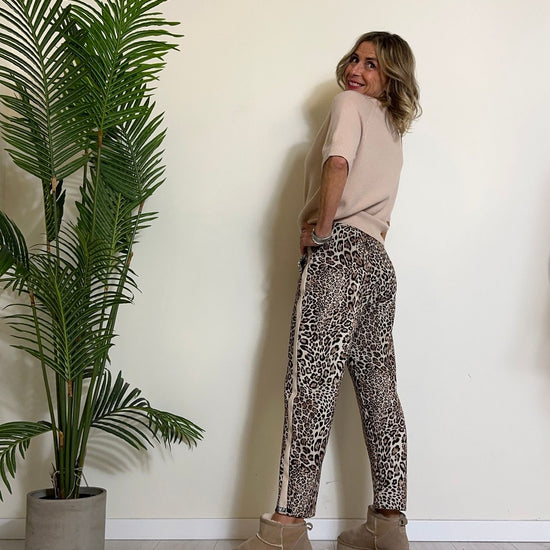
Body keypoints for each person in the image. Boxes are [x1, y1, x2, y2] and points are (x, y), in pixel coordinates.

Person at [238, 31, 421, 550]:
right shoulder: (392, 128)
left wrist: (320, 232)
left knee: (311, 390)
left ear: (392, 76)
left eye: (372, 64)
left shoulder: (348, 106)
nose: (356, 70)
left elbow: (337, 164)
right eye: (355, 59)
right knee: (380, 391)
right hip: (378, 264)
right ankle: (388, 525)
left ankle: (286, 529)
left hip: (338, 254)